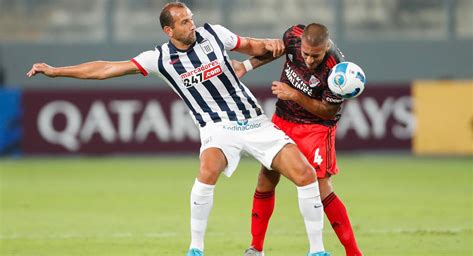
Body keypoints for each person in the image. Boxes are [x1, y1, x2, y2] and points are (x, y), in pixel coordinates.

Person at [26, 3, 331, 256]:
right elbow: (107, 68)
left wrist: (263, 51)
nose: (191, 25)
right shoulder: (158, 58)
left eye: (191, 19)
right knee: (209, 167)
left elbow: (258, 47)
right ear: (168, 30)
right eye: (184, 22)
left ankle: (317, 251)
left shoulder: (215, 34)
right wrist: (57, 71)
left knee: (305, 174)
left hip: (253, 120)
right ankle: (195, 248)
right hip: (217, 126)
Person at [233, 23, 363, 256]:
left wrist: (294, 94)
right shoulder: (293, 36)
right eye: (306, 54)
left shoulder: (336, 69)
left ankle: (354, 253)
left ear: (326, 47)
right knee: (266, 178)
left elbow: (327, 111)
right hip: (282, 119)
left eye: (316, 56)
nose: (310, 60)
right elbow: (279, 51)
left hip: (315, 128)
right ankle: (256, 249)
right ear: (301, 43)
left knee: (321, 188)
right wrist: (246, 65)